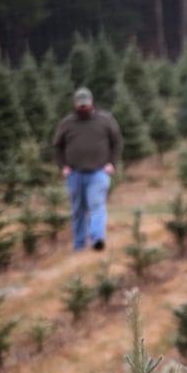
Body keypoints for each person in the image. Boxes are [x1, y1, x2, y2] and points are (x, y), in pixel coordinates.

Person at [52, 87, 122, 251]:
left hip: (98, 172)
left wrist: (112, 163)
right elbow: (57, 146)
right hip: (74, 174)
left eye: (86, 104)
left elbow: (117, 142)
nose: (83, 107)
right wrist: (63, 166)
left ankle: (97, 239)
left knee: (97, 206)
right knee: (78, 211)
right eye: (80, 105)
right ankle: (79, 245)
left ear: (91, 102)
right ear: (75, 104)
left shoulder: (105, 120)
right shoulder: (67, 123)